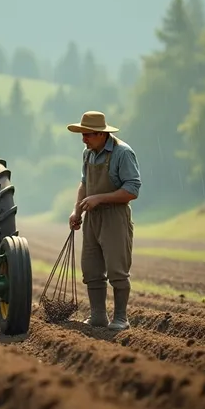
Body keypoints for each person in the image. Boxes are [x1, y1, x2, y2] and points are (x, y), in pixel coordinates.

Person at [67, 111, 141, 330]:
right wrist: (76, 211)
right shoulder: (88, 153)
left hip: (114, 217)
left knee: (117, 270)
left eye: (87, 134)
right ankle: (98, 316)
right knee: (91, 269)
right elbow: (83, 184)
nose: (83, 139)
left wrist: (100, 198)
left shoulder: (123, 153)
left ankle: (120, 318)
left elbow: (132, 189)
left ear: (100, 134)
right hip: (92, 217)